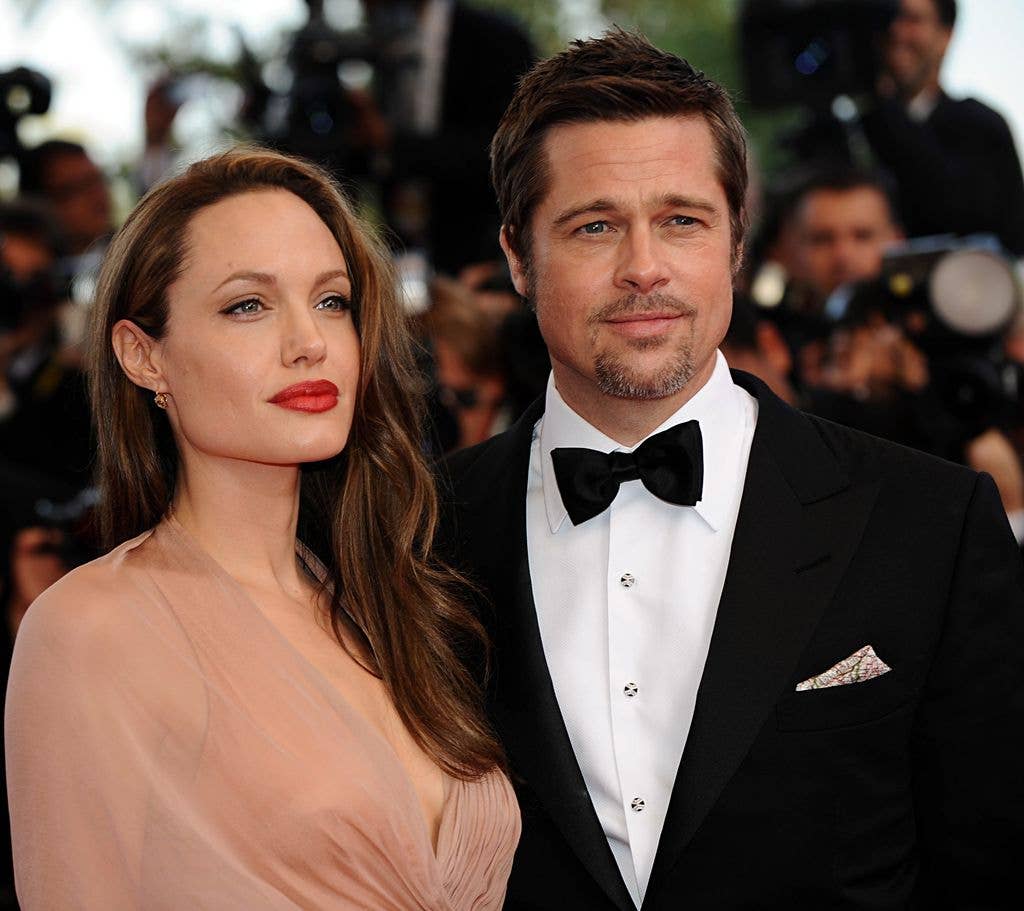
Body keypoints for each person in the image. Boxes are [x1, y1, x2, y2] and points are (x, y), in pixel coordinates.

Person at [440, 30, 1024, 910]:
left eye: (681, 219)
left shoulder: (929, 523)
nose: (644, 267)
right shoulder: (419, 531)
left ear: (736, 243)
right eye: (595, 225)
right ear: (520, 256)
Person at [5, 148, 519, 909]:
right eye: (248, 305)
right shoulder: (92, 632)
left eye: (332, 301)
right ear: (143, 355)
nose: (308, 341)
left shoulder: (393, 604)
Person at [861, 0, 1024, 255]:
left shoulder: (981, 127)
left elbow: (1002, 232)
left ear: (946, 35)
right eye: (887, 18)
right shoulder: (849, 126)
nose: (896, 31)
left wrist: (887, 108)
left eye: (912, 20)